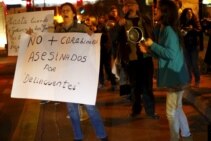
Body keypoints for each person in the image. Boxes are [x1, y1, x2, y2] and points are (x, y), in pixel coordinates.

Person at [139, 0, 193, 141]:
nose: (154, 11)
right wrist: (149, 49)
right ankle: (187, 136)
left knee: (171, 112)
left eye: (157, 9)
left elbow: (170, 53)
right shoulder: (164, 28)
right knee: (178, 108)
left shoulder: (168, 29)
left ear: (165, 12)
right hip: (176, 75)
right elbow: (163, 53)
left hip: (175, 77)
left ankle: (175, 138)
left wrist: (152, 45)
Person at [55, 3, 108, 141]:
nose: (65, 12)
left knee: (90, 107)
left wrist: (93, 36)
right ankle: (78, 136)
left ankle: (102, 135)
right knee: (72, 110)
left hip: (82, 75)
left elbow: (95, 44)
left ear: (73, 14)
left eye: (68, 10)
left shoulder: (82, 28)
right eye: (63, 11)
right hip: (66, 76)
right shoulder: (58, 32)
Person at [117, 0, 159, 119]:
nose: (129, 6)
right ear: (124, 7)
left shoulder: (145, 20)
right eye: (127, 4)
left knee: (148, 87)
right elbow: (114, 38)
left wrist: (151, 48)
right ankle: (136, 110)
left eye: (131, 4)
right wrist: (118, 26)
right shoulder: (121, 22)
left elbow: (152, 36)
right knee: (134, 87)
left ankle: (151, 112)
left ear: (137, 6)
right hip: (131, 59)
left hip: (146, 58)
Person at [180, 8, 202, 87]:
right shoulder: (182, 22)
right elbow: (179, 32)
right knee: (187, 64)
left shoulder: (195, 22)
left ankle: (197, 80)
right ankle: (189, 79)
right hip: (185, 46)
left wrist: (192, 29)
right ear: (184, 15)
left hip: (194, 45)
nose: (189, 15)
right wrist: (182, 31)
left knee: (195, 64)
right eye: (187, 13)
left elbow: (199, 31)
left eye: (190, 13)